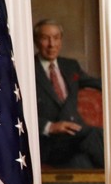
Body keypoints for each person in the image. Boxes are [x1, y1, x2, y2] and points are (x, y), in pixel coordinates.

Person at [33, 19, 105, 169]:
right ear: (36, 41)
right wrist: (50, 126)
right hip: (48, 141)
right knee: (95, 135)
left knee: (81, 163)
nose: (52, 44)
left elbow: (98, 83)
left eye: (56, 38)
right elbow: (14, 111)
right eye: (45, 38)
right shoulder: (26, 69)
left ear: (61, 40)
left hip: (75, 137)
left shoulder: (70, 65)